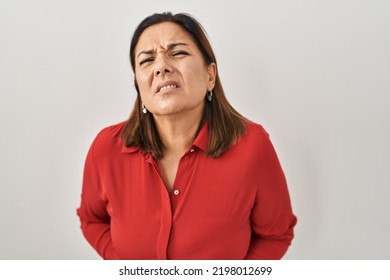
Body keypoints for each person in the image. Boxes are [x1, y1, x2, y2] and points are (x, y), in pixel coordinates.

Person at [77, 12, 297, 260]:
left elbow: (275, 235)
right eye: (147, 60)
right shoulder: (106, 149)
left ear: (210, 75)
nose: (161, 67)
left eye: (178, 53)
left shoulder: (252, 146)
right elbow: (91, 219)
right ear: (139, 85)